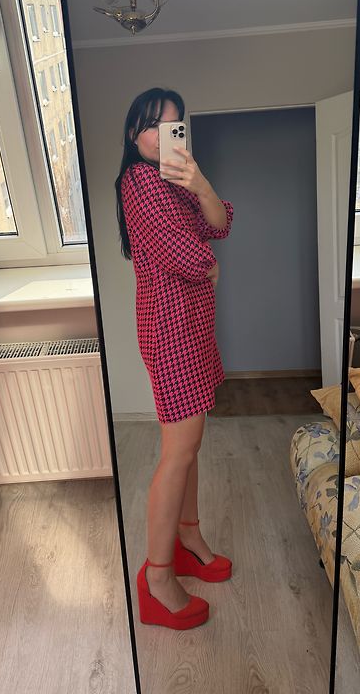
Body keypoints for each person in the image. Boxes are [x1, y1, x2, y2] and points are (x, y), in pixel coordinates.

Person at [116, 87, 234, 630]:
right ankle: (158, 576)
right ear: (133, 134)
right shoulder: (139, 181)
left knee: (189, 447)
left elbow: (218, 222)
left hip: (192, 328)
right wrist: (209, 266)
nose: (162, 136)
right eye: (151, 126)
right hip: (171, 329)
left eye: (172, 126)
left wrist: (200, 181)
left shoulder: (173, 179)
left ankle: (188, 538)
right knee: (177, 451)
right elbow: (185, 251)